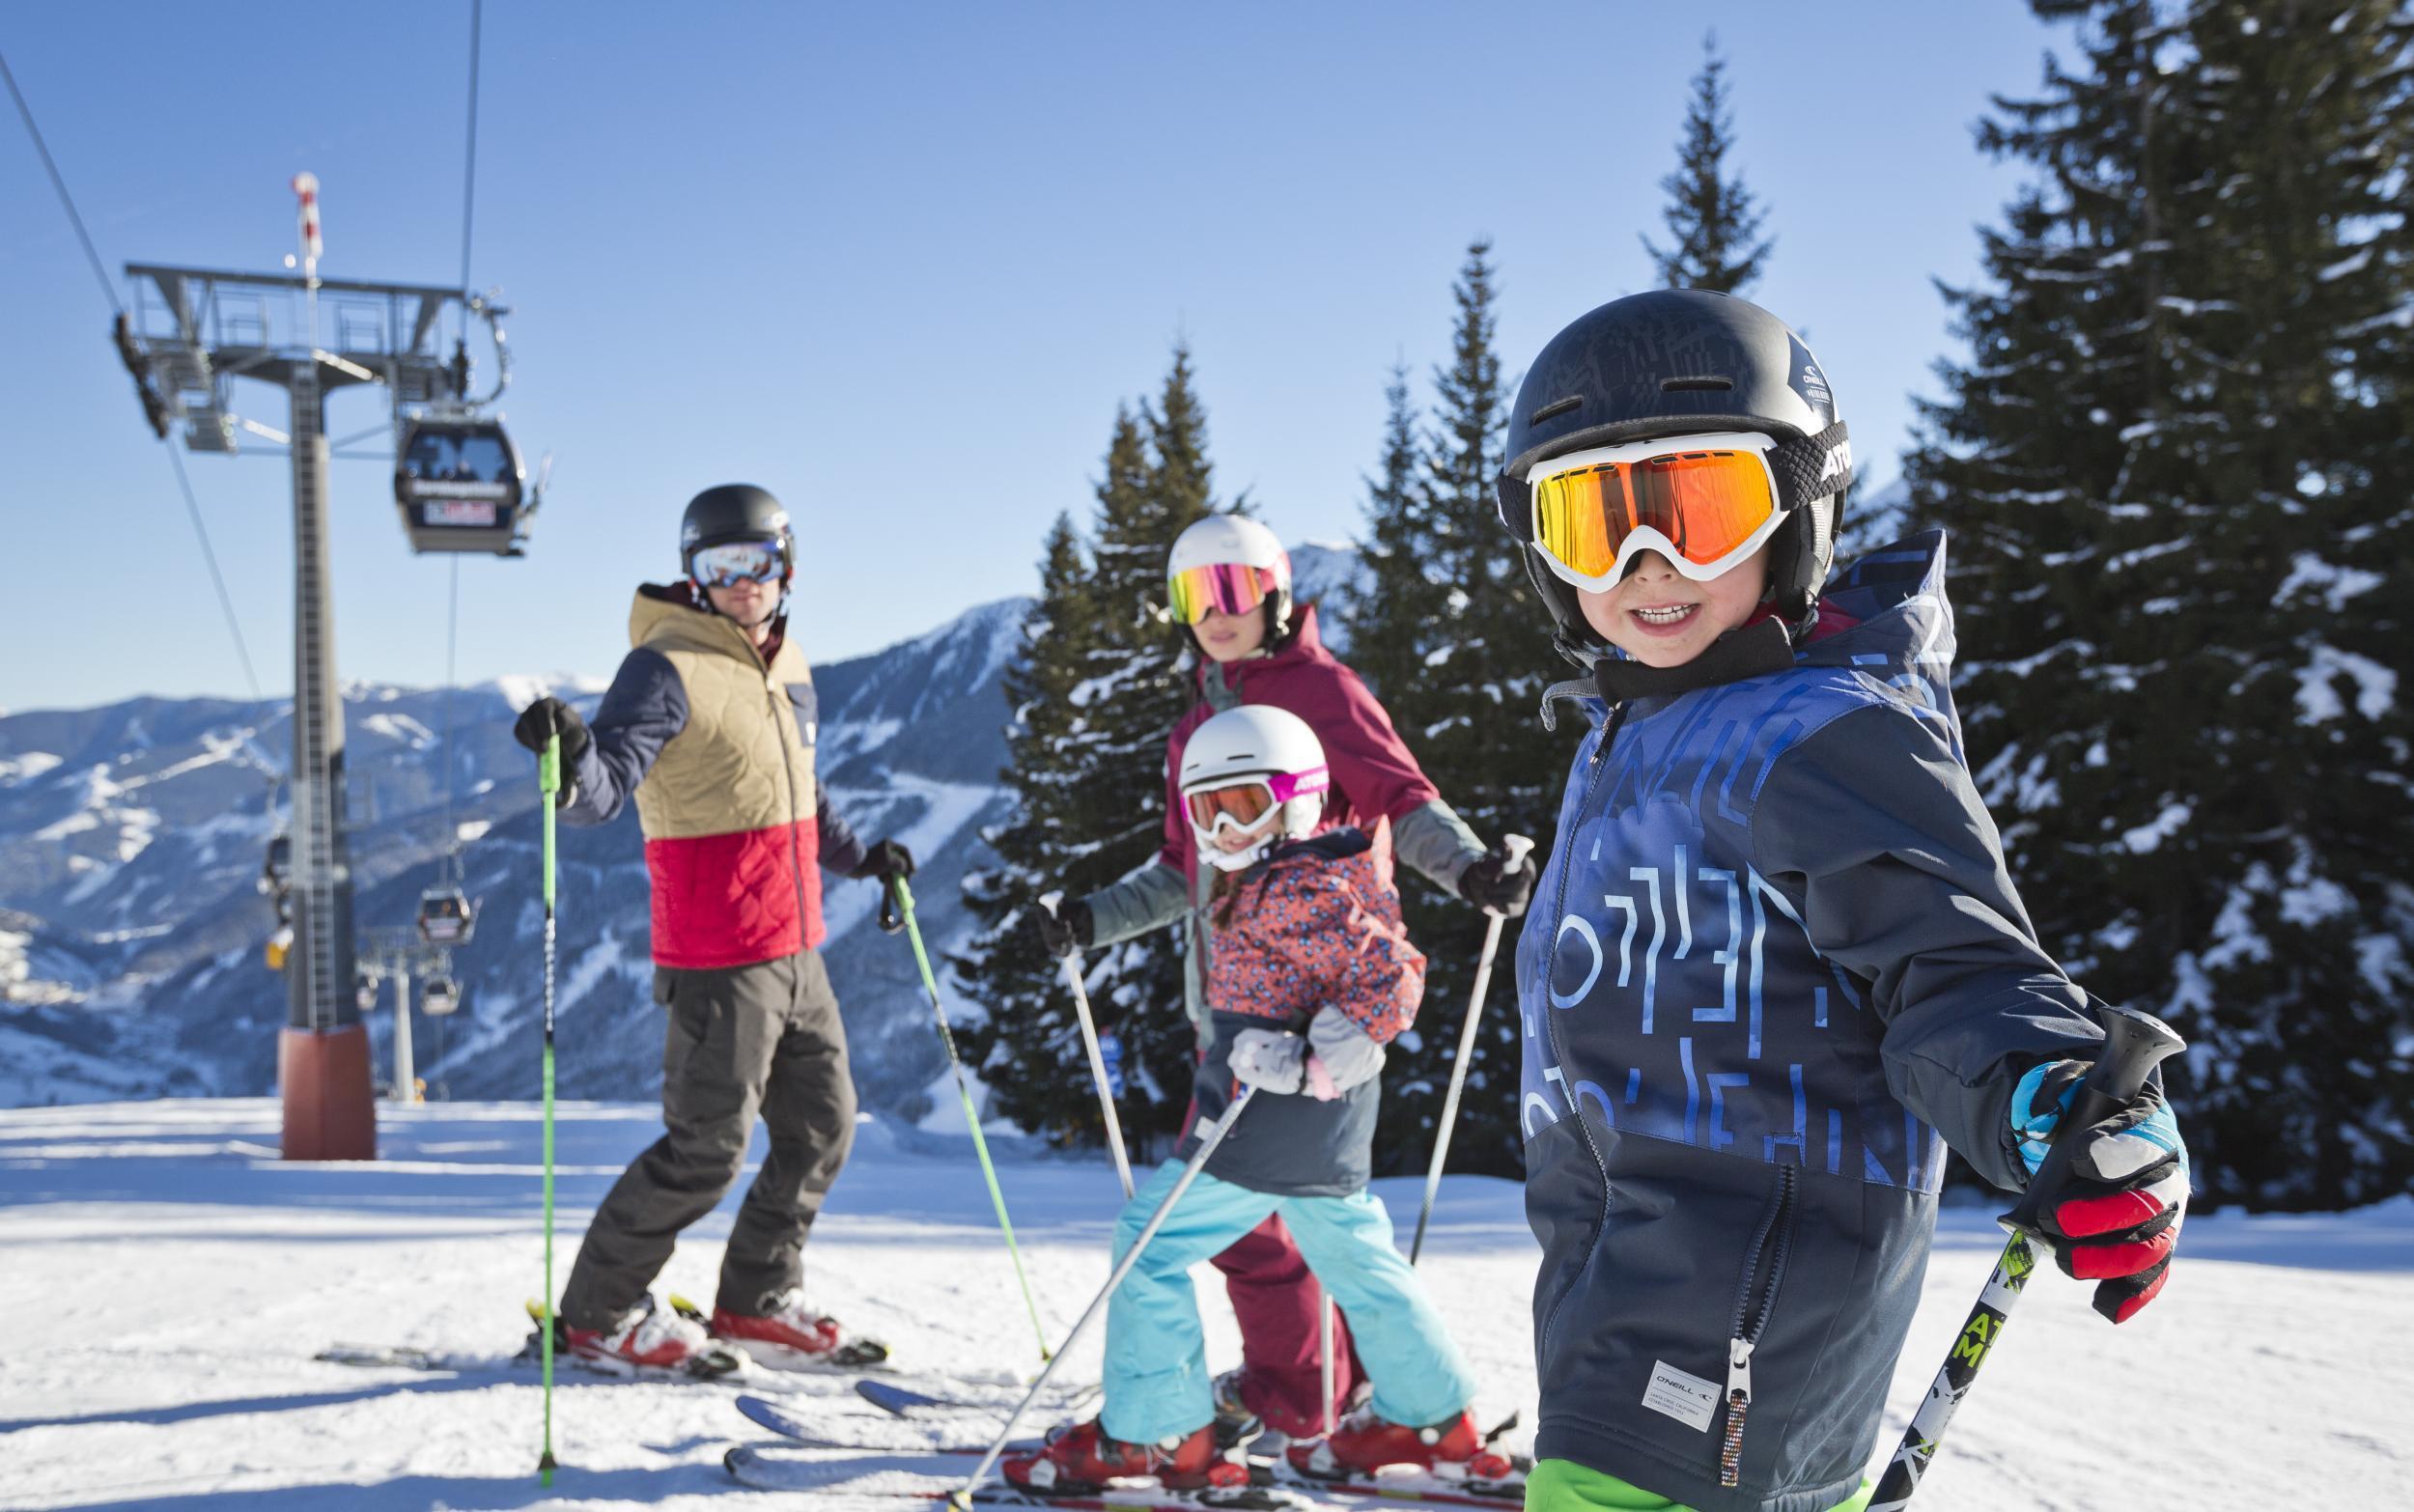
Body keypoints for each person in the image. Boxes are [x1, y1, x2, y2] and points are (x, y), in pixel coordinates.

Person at [1495, 290, 2190, 1512]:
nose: (1646, 567)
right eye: (1592, 522)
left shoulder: (1819, 733)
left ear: (1797, 506)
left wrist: (2044, 1093)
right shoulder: (1628, 733)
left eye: (1697, 512)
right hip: (1616, 1267)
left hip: (1750, 1278)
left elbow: (1951, 963)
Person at [1034, 513, 1538, 1442]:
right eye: (1196, 594)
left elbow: (1404, 797)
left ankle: (1264, 1402)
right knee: (1313, 1232)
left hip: (1309, 1023)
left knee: (1228, 1234)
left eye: (1234, 589)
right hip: (1231, 1012)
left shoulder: (1320, 690)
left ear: (1273, 593)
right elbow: (1186, 871)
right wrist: (1093, 920)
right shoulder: (1202, 719)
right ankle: (1354, 1399)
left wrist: (1469, 870)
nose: (1216, 613)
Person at [1006, 706, 1496, 1493]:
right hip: (1321, 1140)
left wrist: (1311, 1063)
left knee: (1146, 1248)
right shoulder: (1290, 874)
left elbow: (1393, 976)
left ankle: (1157, 1433)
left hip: (1259, 1130)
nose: (1224, 828)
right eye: (1207, 809)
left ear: (1297, 799)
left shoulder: (1299, 888)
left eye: (1243, 805)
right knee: (1362, 1266)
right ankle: (1432, 1416)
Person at [512, 483, 915, 1374]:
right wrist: (570, 763)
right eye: (718, 566)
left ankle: (757, 1296)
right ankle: (598, 1313)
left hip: (799, 944)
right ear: (692, 575)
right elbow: (605, 790)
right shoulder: (665, 666)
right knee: (707, 1149)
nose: (741, 583)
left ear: (786, 568)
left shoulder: (788, 662)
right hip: (720, 955)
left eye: (757, 564)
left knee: (824, 1127)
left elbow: (795, 787)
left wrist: (859, 858)